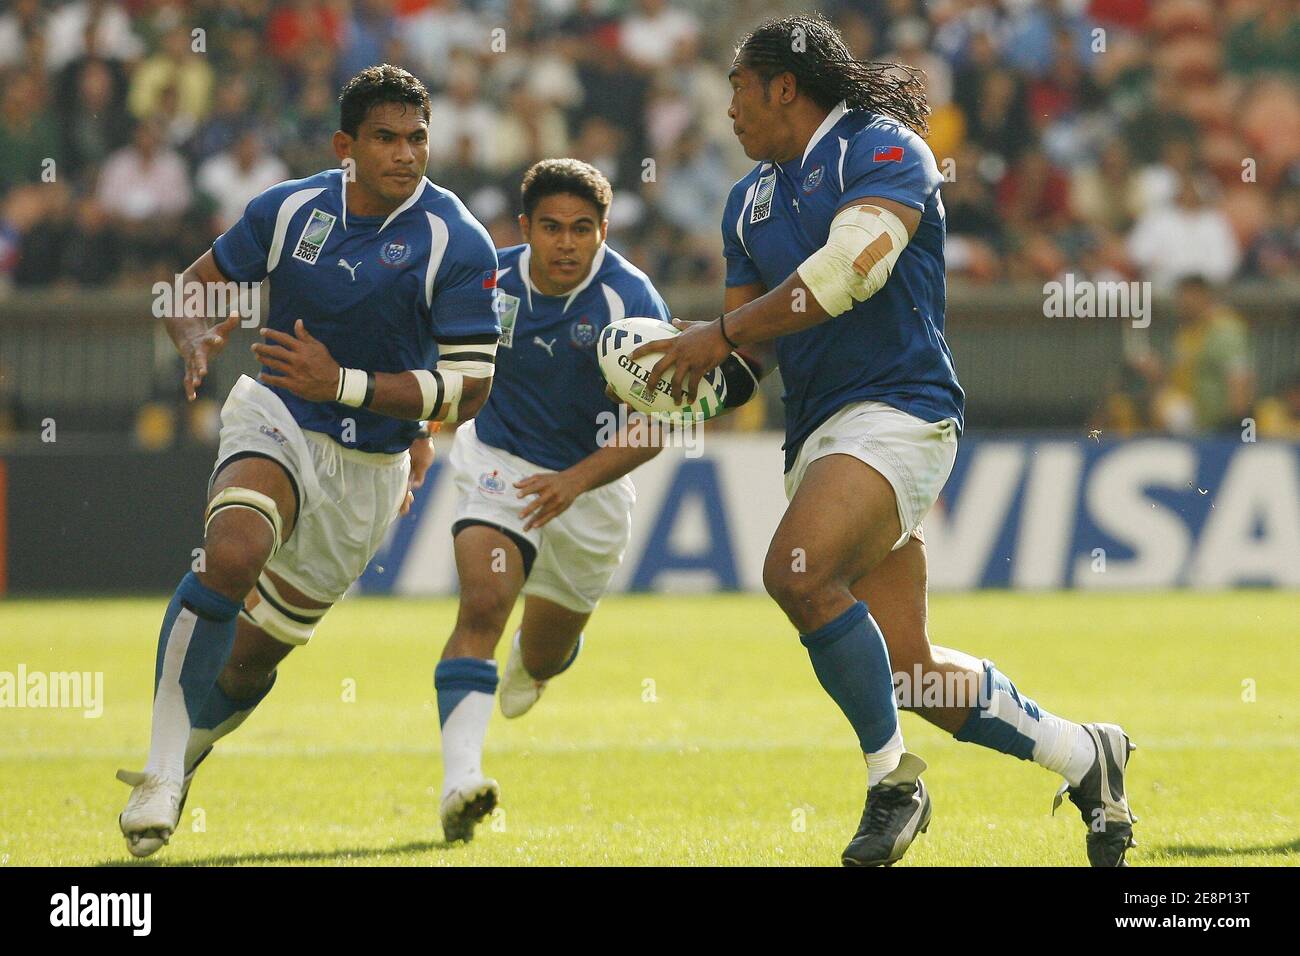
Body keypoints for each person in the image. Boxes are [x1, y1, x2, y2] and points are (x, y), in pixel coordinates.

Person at [639, 14, 1137, 867]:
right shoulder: (746, 201)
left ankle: (894, 783)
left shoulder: (884, 147)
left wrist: (715, 331)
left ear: (783, 87)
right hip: (822, 434)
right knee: (909, 673)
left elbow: (848, 273)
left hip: (904, 411)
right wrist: (686, 375)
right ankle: (1086, 753)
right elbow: (751, 356)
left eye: (736, 89)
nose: (727, 110)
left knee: (795, 571)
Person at [116, 64, 500, 858]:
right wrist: (192, 334)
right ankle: (158, 768)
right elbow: (190, 291)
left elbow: (471, 388)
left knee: (251, 666)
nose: (406, 154)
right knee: (233, 553)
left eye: (417, 137)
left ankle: (184, 759)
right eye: (387, 139)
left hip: (371, 470)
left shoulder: (455, 238)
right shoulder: (289, 208)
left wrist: (349, 385)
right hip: (278, 414)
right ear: (345, 147)